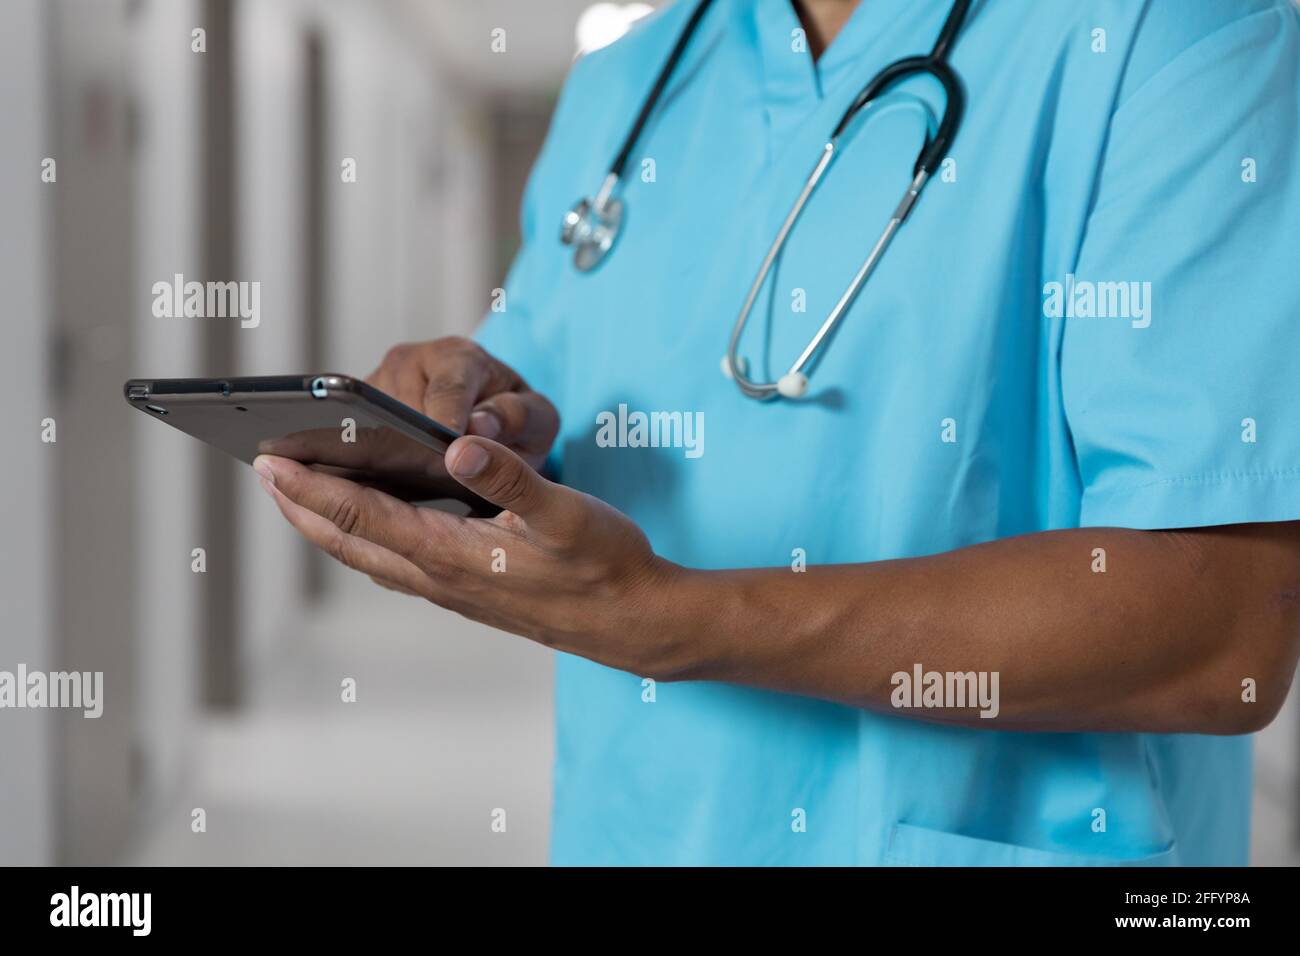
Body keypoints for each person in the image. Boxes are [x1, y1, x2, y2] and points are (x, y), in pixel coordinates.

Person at [253, 0, 1300, 865]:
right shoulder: (632, 82)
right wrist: (465, 409)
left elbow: (1220, 633)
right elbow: (537, 392)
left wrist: (675, 618)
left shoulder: (1172, 36)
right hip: (638, 830)